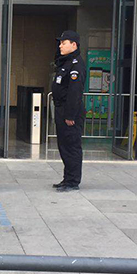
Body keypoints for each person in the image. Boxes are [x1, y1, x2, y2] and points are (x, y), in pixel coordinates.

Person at [51, 30, 86, 192]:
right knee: (64, 146)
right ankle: (67, 178)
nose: (60, 46)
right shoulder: (66, 62)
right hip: (62, 109)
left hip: (70, 111)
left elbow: (74, 93)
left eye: (63, 43)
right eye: (60, 43)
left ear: (74, 45)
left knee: (71, 146)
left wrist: (70, 115)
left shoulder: (76, 65)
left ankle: (73, 181)